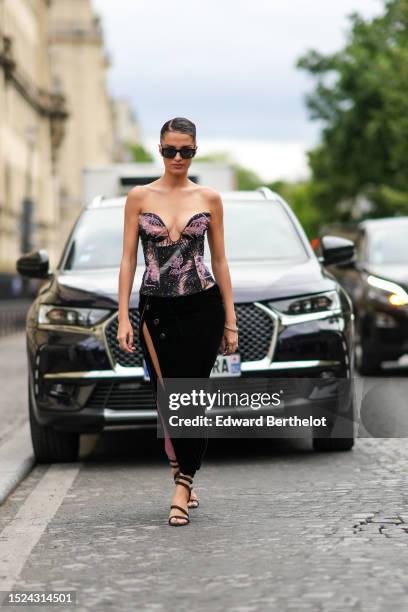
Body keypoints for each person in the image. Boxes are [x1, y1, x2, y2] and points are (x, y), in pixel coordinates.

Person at [117, 117, 238, 526]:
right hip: (156, 309)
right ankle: (181, 466)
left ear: (195, 151)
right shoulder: (138, 197)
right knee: (167, 398)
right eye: (171, 150)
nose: (178, 157)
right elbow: (128, 259)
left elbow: (219, 261)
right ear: (160, 149)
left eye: (186, 151)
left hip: (203, 306)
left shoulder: (210, 198)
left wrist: (231, 322)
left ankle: (183, 483)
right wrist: (123, 317)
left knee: (192, 396)